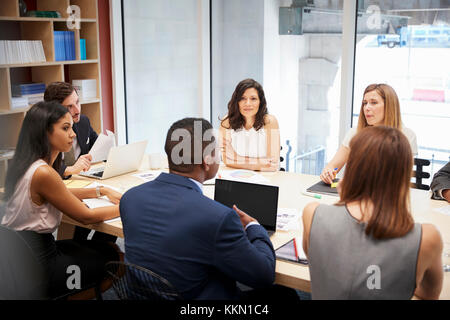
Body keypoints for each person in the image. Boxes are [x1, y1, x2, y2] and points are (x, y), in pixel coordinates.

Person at [120, 118, 289, 300]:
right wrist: (254, 227)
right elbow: (263, 275)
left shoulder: (130, 198)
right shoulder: (218, 218)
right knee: (286, 296)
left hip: (143, 296)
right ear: (206, 162)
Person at [302, 126, 443, 300]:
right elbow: (428, 294)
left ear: (352, 168)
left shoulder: (312, 213)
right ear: (403, 175)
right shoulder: (427, 237)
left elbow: (321, 265)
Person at [1, 101, 121, 299]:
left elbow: (60, 194)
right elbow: (85, 216)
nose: (73, 134)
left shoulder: (28, 165)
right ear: (44, 132)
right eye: (65, 128)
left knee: (109, 249)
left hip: (24, 260)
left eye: (71, 128)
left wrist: (100, 190)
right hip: (42, 266)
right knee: (116, 261)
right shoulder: (44, 173)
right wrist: (126, 205)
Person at [44, 81, 115, 242]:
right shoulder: (43, 133)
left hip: (78, 185)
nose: (77, 110)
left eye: (77, 102)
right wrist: (69, 169)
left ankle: (97, 252)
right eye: (69, 107)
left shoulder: (82, 122)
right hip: (62, 186)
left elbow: (98, 147)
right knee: (97, 214)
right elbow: (45, 166)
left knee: (105, 215)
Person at [320, 83, 418, 184]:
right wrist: (328, 171)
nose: (367, 108)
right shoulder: (355, 132)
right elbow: (333, 166)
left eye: (374, 103)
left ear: (389, 106)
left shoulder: (407, 136)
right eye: (365, 103)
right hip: (353, 194)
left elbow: (400, 180)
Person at [219, 78, 280, 172]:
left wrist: (237, 158)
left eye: (253, 99)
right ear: (237, 101)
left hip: (265, 179)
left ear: (260, 102)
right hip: (235, 177)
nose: (248, 103)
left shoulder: (270, 121)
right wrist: (260, 163)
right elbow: (227, 160)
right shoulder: (227, 121)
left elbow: (272, 165)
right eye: (242, 98)